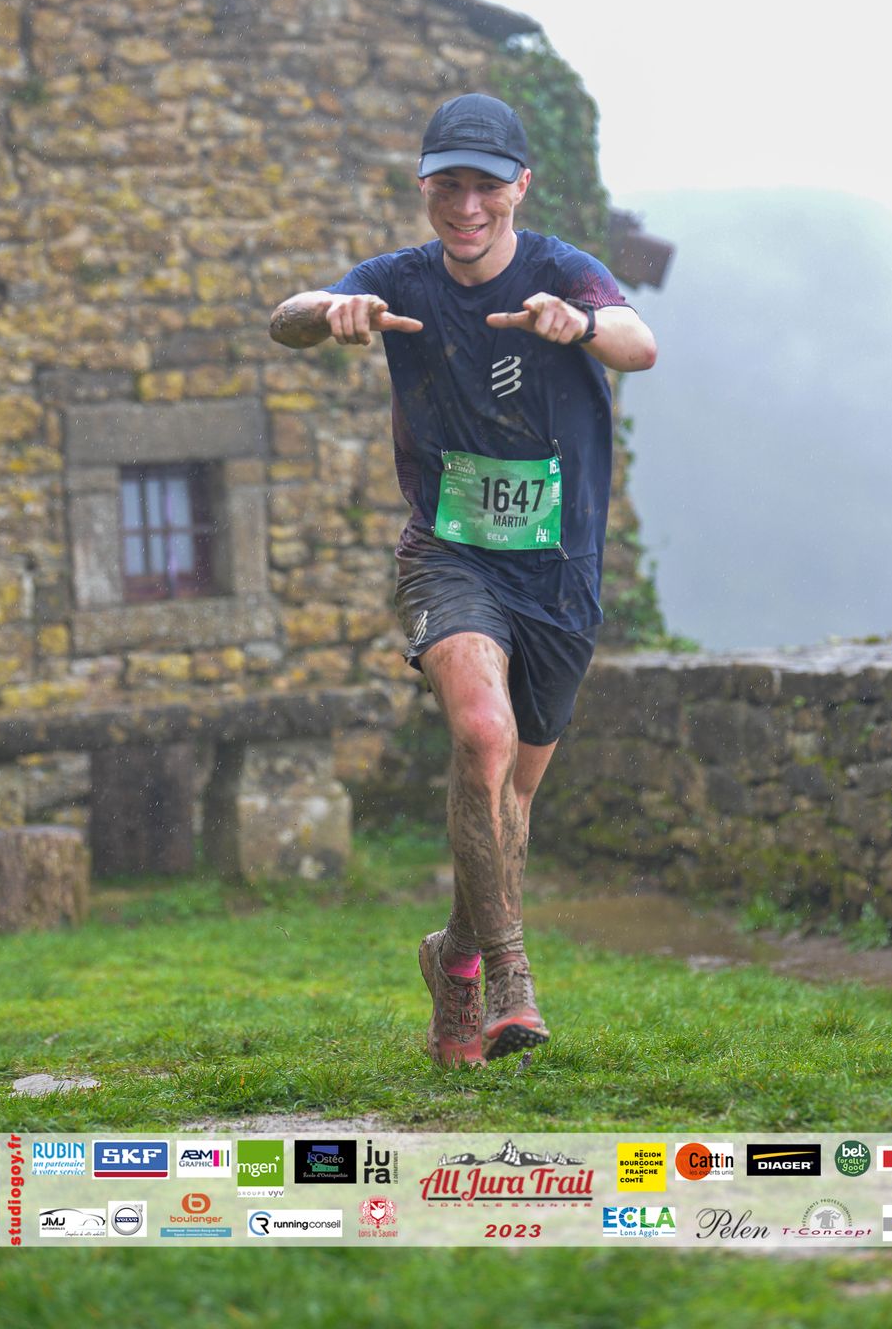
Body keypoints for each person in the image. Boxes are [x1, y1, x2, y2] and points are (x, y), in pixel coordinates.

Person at [269, 93, 657, 1065]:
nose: (467, 206)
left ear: (519, 186)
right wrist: (329, 310)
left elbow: (638, 343)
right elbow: (286, 319)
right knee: (481, 731)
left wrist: (577, 324)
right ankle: (509, 973)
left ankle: (455, 956)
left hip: (559, 574)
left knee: (508, 798)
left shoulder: (561, 269)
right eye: (448, 185)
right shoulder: (396, 279)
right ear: (424, 188)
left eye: (485, 185)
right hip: (449, 555)